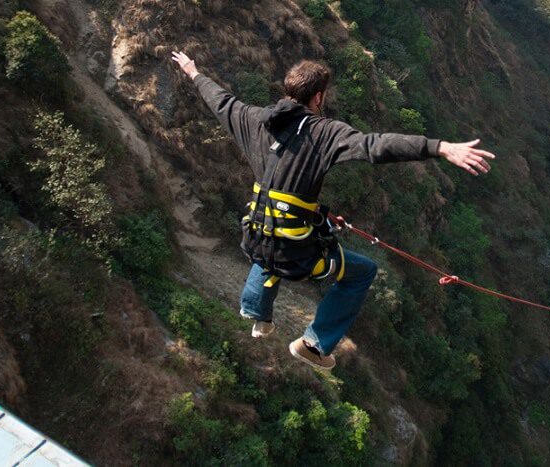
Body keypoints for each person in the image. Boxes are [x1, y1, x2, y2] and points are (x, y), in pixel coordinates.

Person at [172, 52, 495, 370]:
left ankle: (256, 311)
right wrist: (440, 147)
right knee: (362, 272)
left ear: (287, 90)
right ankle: (313, 344)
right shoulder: (326, 132)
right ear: (318, 96)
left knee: (269, 247)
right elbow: (375, 145)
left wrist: (193, 71)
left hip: (254, 234)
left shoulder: (254, 120)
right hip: (294, 252)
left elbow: (221, 100)